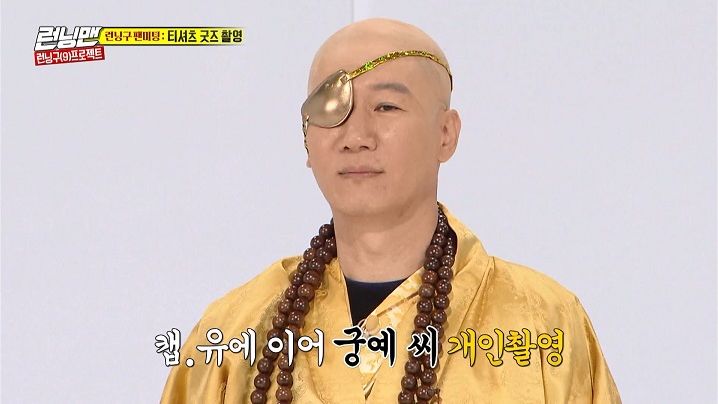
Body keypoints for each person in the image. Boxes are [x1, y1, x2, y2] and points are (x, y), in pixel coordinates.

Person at [161, 18, 621, 403]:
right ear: (306, 139)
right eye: (331, 109)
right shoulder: (232, 332)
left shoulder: (542, 324)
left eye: (386, 106)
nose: (356, 135)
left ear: (446, 134)